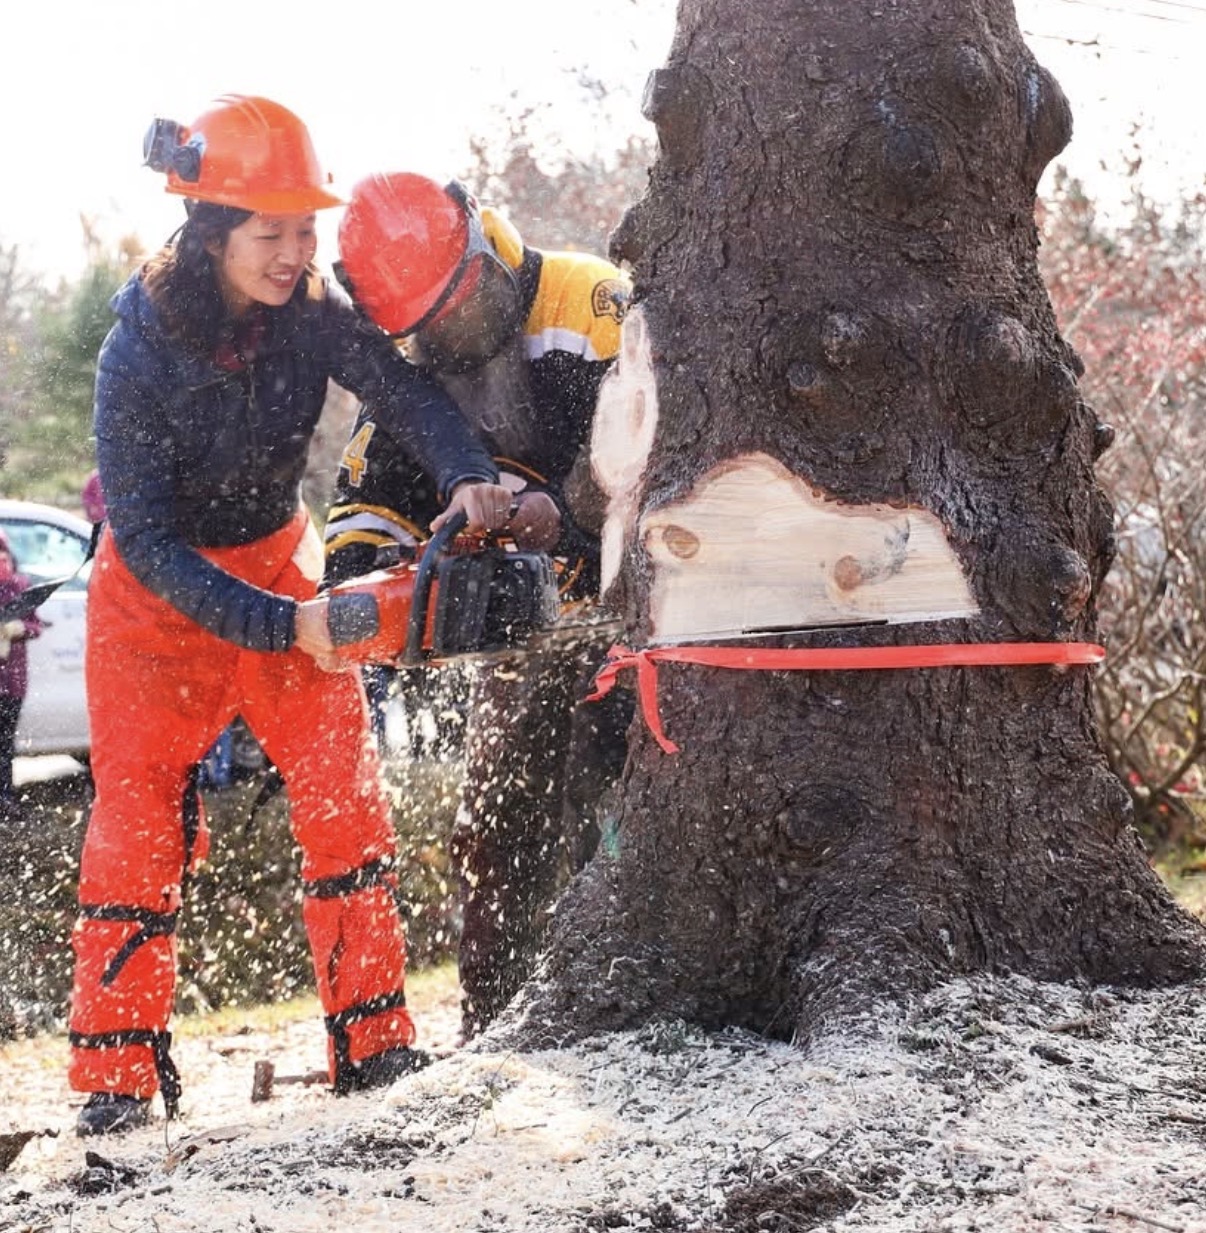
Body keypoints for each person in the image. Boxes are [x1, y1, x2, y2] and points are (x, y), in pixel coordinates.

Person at [68, 96, 515, 1137]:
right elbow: (143, 537)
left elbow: (403, 397)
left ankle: (373, 1042)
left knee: (344, 794)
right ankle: (116, 1080)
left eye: (304, 229)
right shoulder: (133, 358)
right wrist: (281, 627)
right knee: (135, 830)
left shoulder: (313, 313)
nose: (295, 250)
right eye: (272, 233)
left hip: (281, 556)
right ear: (210, 231)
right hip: (156, 605)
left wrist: (466, 475)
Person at [325, 172, 634, 1038]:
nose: (456, 331)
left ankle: (625, 1006)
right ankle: (496, 1026)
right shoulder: (413, 373)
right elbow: (359, 502)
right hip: (526, 640)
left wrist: (564, 513)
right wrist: (377, 571)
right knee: (496, 828)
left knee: (627, 816)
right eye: (431, 326)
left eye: (461, 303)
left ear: (480, 244)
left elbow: (660, 437)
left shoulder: (589, 303)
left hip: (636, 618)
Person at [0, 530, 44, 813]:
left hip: (12, 683)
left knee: (5, 743)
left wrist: (18, 629)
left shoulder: (20, 588)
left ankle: (5, 797)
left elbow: (36, 626)